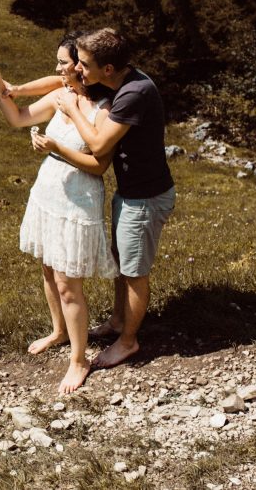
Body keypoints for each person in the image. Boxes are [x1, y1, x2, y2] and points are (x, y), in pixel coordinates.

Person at [0, 33, 116, 394]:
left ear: (81, 66)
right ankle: (58, 331)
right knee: (48, 268)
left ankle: (78, 359)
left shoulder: (104, 109)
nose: (57, 69)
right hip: (48, 192)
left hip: (78, 202)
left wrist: (54, 145)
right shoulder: (60, 95)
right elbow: (19, 118)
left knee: (70, 285)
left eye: (63, 62)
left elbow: (98, 165)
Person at [55, 28, 175, 369]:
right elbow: (63, 79)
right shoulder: (119, 81)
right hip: (132, 193)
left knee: (135, 272)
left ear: (107, 69)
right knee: (122, 264)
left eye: (85, 64)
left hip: (146, 199)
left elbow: (99, 145)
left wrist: (73, 109)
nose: (78, 69)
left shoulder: (133, 93)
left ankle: (128, 342)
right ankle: (120, 322)